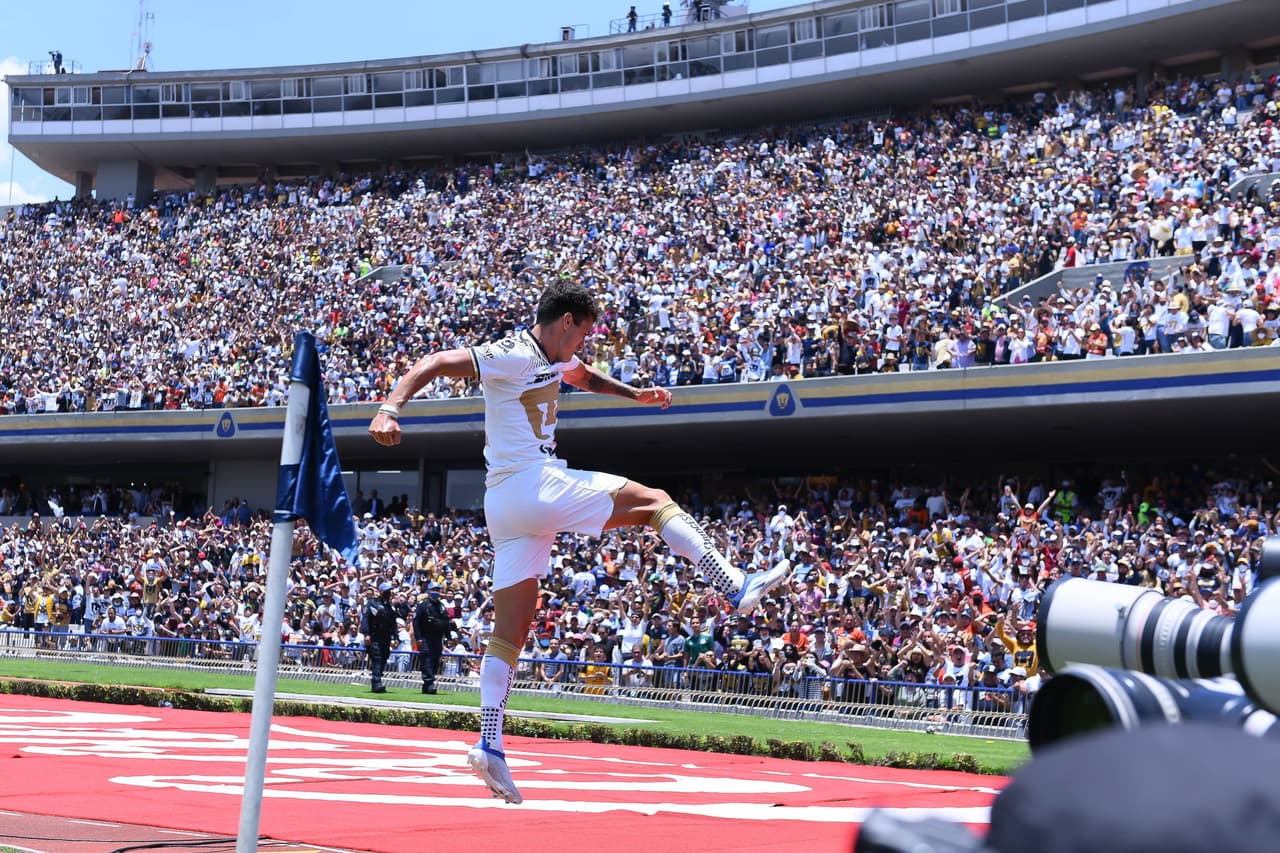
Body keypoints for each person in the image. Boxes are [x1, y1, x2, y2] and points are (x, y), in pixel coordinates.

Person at [369, 280, 791, 804]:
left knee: (511, 632)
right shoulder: (511, 353)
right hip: (533, 483)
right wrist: (391, 406)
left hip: (505, 503)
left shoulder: (552, 354)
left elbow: (583, 375)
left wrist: (635, 394)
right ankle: (732, 583)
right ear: (565, 321)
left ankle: (491, 745)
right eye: (583, 332)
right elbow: (435, 361)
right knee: (653, 501)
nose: (583, 344)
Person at [411, 582, 450, 694]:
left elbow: (446, 622)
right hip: (426, 637)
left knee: (435, 661)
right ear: (428, 591)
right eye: (434, 589)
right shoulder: (423, 605)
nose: (436, 592)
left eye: (438, 589)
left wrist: (448, 636)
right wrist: (418, 637)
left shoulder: (441, 606)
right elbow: (416, 622)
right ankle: (429, 683)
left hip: (438, 638)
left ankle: (428, 684)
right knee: (427, 660)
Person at [360, 582, 396, 693]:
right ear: (380, 592)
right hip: (374, 636)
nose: (388, 593)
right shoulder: (372, 603)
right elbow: (365, 620)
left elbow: (393, 623)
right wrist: (366, 634)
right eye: (386, 591)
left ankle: (378, 678)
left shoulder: (389, 607)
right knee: (377, 658)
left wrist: (395, 637)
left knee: (384, 657)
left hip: (385, 637)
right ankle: (376, 683)